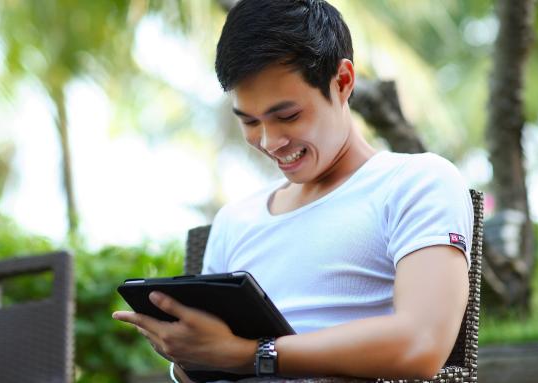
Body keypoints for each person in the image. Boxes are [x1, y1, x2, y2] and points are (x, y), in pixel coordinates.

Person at [113, 0, 473, 381]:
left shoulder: (416, 182)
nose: (269, 141)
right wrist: (189, 352)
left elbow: (420, 345)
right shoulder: (235, 220)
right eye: (250, 121)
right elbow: (207, 368)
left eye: (287, 116)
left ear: (343, 82)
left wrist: (250, 355)